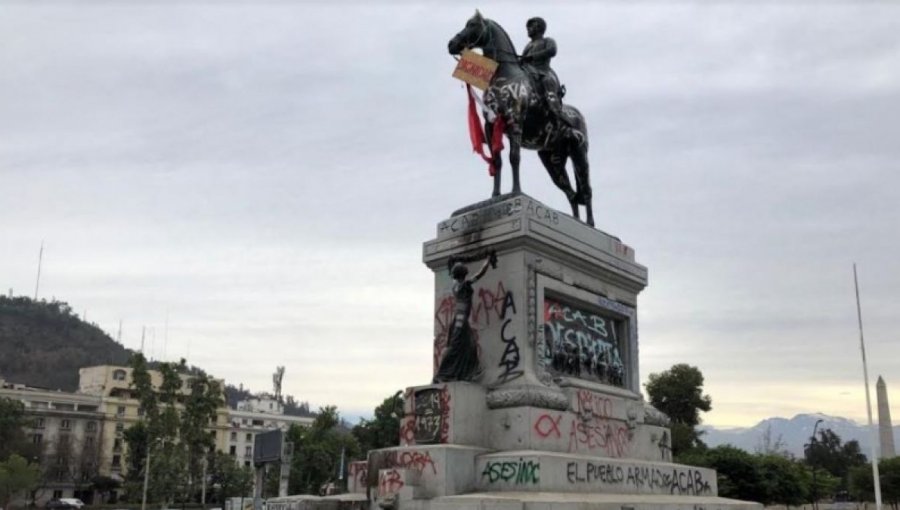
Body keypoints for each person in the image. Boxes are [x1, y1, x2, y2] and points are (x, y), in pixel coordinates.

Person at [433, 250, 498, 383]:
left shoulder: (455, 284)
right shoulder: (464, 284)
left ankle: (467, 372)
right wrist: (487, 261)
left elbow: (452, 268)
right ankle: (442, 374)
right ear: (463, 274)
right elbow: (479, 274)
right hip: (461, 320)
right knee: (456, 346)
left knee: (470, 345)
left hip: (459, 318)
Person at [520, 17, 575, 129]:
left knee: (547, 82)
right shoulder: (528, 46)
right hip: (530, 72)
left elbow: (552, 51)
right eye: (528, 27)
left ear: (539, 27)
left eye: (531, 26)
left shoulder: (548, 41)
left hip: (544, 71)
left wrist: (533, 57)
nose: (528, 29)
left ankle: (557, 112)